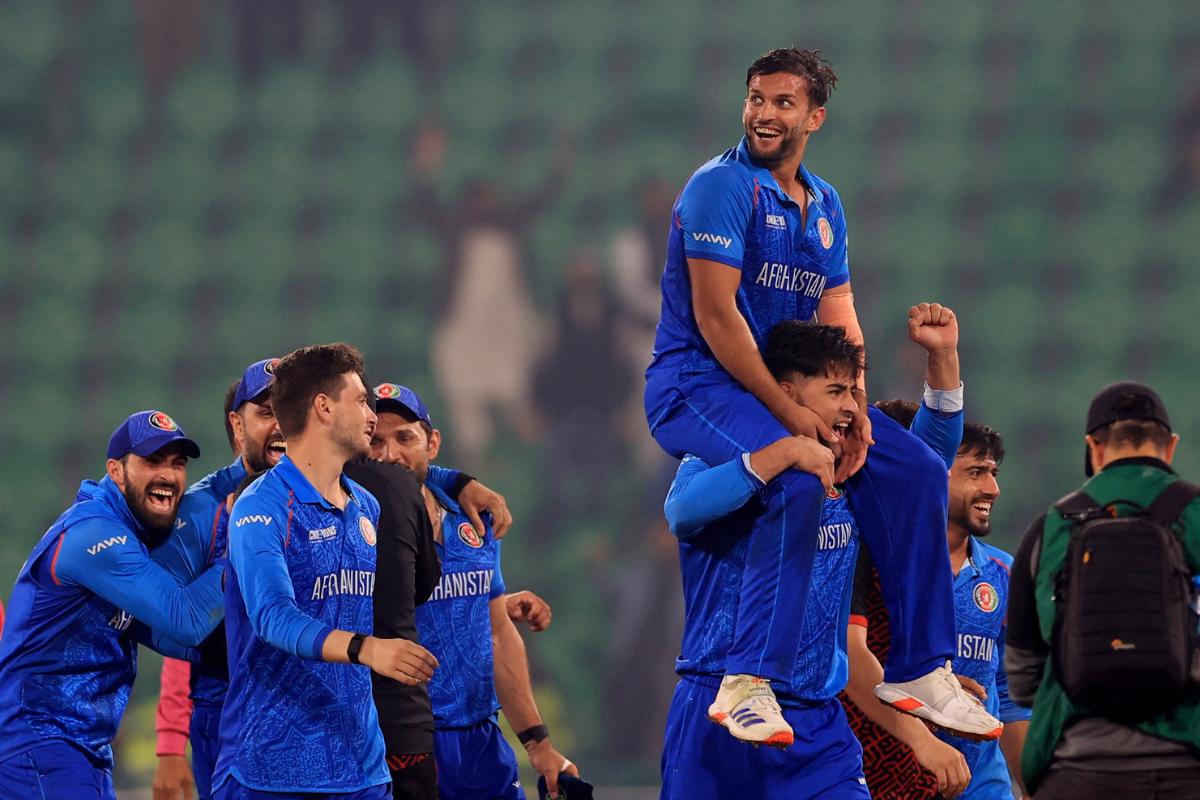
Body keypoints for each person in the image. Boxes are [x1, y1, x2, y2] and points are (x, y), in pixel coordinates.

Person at [642, 46, 994, 741]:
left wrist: (854, 409)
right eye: (755, 99)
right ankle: (747, 680)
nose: (763, 114)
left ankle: (922, 668)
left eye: (782, 103)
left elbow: (840, 316)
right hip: (697, 384)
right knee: (800, 473)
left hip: (784, 393)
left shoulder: (824, 204)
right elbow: (716, 319)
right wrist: (796, 418)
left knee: (917, 469)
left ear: (815, 116)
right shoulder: (719, 187)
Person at [213, 344, 439, 800]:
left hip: (363, 768)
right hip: (271, 771)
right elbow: (273, 616)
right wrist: (367, 649)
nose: (371, 414)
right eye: (360, 400)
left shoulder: (366, 505)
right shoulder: (260, 506)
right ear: (323, 407)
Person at [659, 321, 867, 798]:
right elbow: (682, 512)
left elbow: (929, 470)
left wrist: (943, 367)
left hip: (816, 722)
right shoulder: (716, 456)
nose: (851, 408)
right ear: (788, 392)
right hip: (718, 706)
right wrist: (784, 453)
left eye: (853, 393)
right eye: (836, 391)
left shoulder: (847, 467)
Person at [0, 410, 225, 798]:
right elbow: (185, 619)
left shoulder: (125, 536)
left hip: (77, 749)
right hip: (39, 742)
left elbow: (176, 641)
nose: (168, 476)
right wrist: (247, 547)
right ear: (116, 471)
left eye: (177, 464)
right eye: (152, 461)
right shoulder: (96, 534)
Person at [369, 383, 578, 800]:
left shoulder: (475, 521)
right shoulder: (354, 527)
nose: (390, 454)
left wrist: (538, 746)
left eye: (404, 438)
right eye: (375, 441)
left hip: (481, 743)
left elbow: (498, 632)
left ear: (433, 442)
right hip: (399, 747)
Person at [1006, 382, 1200, 799]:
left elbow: (1022, 680)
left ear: (1094, 447)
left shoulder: (1050, 528)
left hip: (1079, 770)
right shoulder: (1197, 514)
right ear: (1170, 448)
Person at [847, 412, 1030, 799]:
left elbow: (1008, 691)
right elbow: (849, 658)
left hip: (980, 781)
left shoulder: (1003, 573)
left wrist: (1032, 784)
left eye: (994, 472)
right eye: (976, 472)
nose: (993, 488)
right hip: (893, 770)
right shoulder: (872, 564)